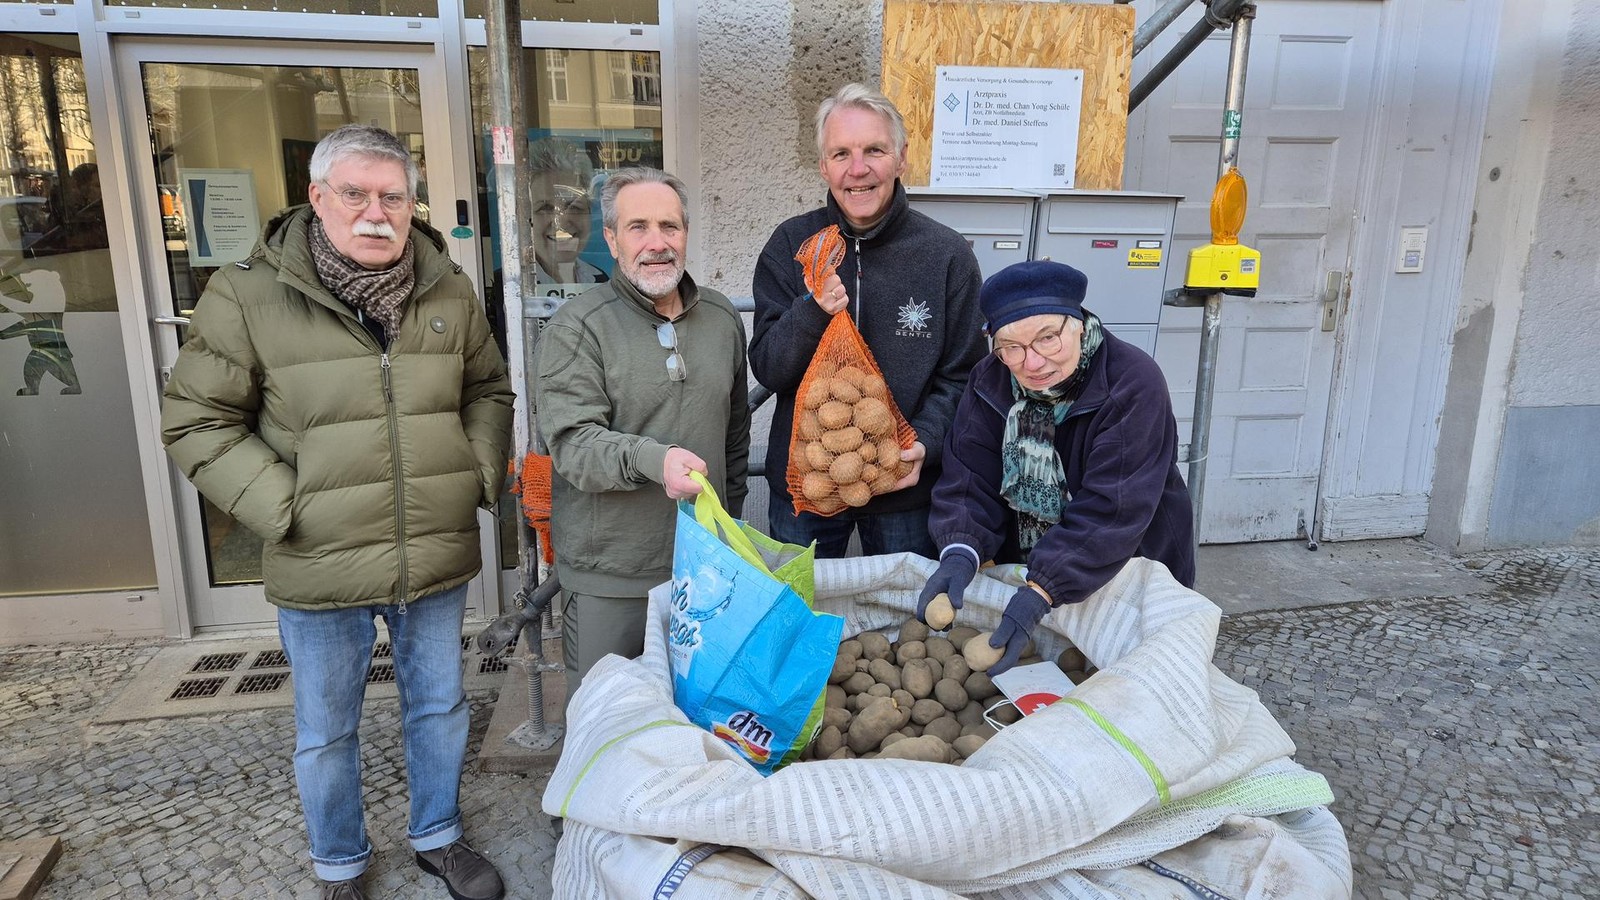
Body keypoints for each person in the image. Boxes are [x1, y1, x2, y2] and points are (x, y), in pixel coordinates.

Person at [160, 124, 513, 900]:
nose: (376, 213)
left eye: (393, 197)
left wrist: (474, 474)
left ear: (412, 203)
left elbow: (488, 390)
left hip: (432, 547)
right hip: (318, 556)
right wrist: (285, 508)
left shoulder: (447, 286)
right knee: (326, 730)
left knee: (441, 708)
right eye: (355, 194)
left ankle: (438, 836)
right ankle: (340, 864)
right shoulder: (249, 294)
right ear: (317, 198)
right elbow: (196, 421)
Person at [533, 166, 751, 706]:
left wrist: (728, 534)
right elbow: (573, 445)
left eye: (669, 226)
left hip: (702, 570)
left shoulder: (722, 318)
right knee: (609, 722)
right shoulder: (578, 326)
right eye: (638, 228)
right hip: (612, 576)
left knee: (699, 720)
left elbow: (734, 437)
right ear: (611, 239)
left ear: (686, 233)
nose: (657, 243)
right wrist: (655, 460)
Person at [916, 260, 1195, 676]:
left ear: (1077, 324)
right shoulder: (989, 380)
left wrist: (1043, 588)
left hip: (1128, 563)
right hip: (1036, 565)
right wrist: (960, 550)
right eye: (1011, 347)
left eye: (1047, 338)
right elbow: (969, 478)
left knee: (1133, 678)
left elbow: (1112, 509)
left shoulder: (1132, 382)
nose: (1032, 363)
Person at [750, 82, 988, 558]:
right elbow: (768, 367)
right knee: (797, 603)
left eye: (874, 150)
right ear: (823, 166)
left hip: (904, 488)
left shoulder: (946, 255)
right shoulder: (793, 245)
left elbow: (964, 375)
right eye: (841, 153)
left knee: (904, 607)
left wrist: (925, 441)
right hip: (810, 486)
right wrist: (813, 310)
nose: (857, 169)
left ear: (901, 158)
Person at [528, 136, 608, 291]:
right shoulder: (509, 286)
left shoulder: (600, 280)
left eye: (575, 207)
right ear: (526, 218)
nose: (562, 222)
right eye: (545, 208)